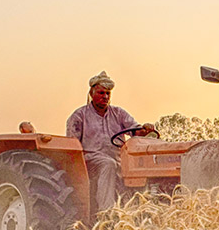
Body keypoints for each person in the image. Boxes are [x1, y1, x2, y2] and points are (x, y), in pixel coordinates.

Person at [66, 71, 155, 213]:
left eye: (108, 94)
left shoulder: (118, 113)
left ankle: (141, 211)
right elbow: (72, 146)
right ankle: (106, 213)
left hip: (118, 159)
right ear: (91, 93)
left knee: (137, 167)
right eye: (101, 93)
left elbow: (135, 130)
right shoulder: (79, 116)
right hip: (89, 160)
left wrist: (145, 129)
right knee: (108, 164)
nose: (105, 97)